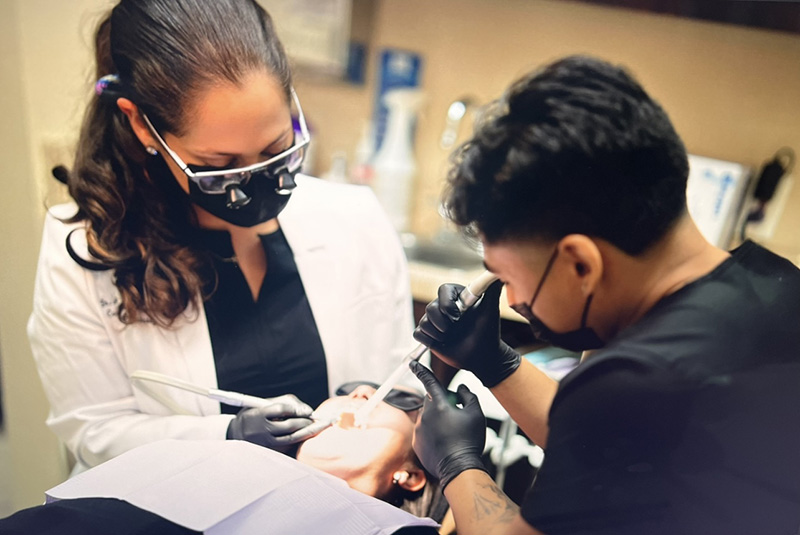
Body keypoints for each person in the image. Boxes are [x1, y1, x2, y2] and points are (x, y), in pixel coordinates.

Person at [408, 55, 800, 535]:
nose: (511, 297)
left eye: (508, 276)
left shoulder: (636, 378)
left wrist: (457, 464)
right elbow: (612, 450)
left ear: (581, 264)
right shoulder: (775, 282)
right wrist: (494, 362)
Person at [27, 0, 415, 473]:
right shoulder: (86, 252)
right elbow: (94, 430)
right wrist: (225, 438)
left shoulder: (354, 218)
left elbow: (402, 385)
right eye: (219, 166)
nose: (256, 179)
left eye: (276, 148)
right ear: (141, 124)